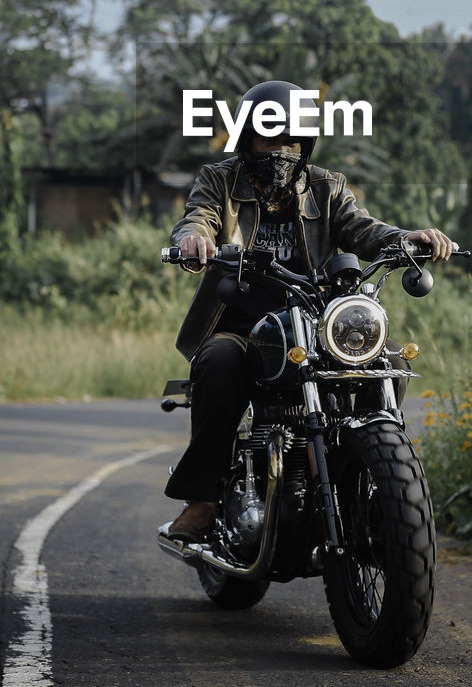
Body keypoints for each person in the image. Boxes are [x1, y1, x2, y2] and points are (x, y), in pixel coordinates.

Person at [164, 80, 454, 542]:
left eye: (291, 138)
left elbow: (362, 228)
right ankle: (204, 500)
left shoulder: (326, 186)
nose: (281, 149)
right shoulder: (218, 179)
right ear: (246, 138)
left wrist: (404, 239)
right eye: (268, 137)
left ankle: (362, 472)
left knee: (392, 363)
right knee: (218, 362)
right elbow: (199, 217)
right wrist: (192, 241)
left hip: (317, 321)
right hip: (243, 322)